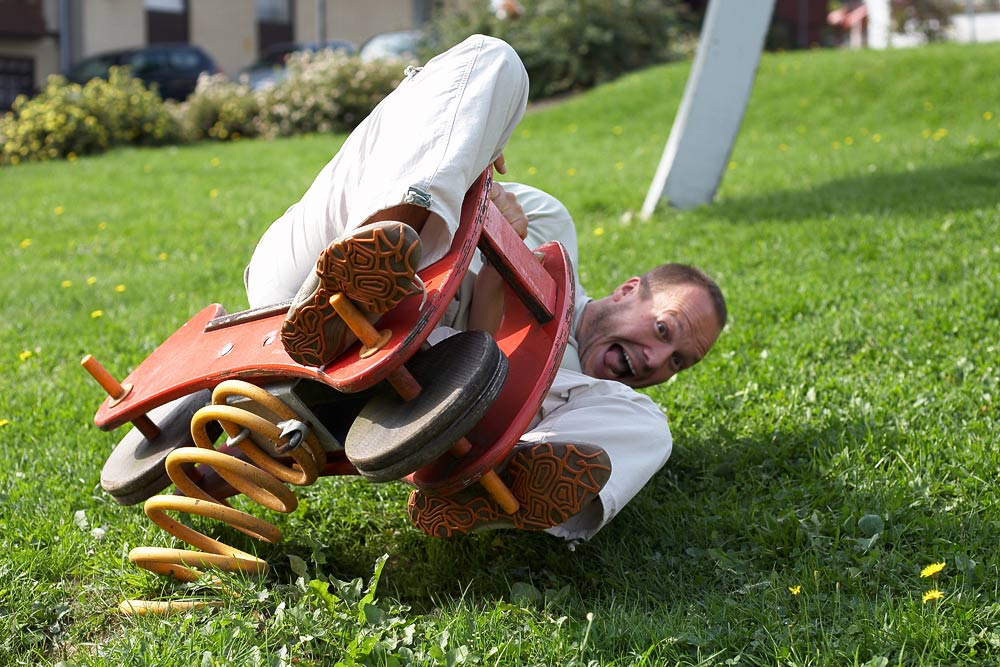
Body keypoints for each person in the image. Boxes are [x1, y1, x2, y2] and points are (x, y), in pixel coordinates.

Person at [245, 35, 726, 541]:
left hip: (417, 398)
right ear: (630, 291)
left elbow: (472, 360)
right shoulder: (550, 227)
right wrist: (486, 197)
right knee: (493, 58)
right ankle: (371, 270)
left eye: (678, 362)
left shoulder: (592, 402)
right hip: (305, 278)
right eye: (663, 331)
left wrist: (496, 280)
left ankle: (481, 484)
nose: (656, 361)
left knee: (652, 428)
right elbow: (436, 161)